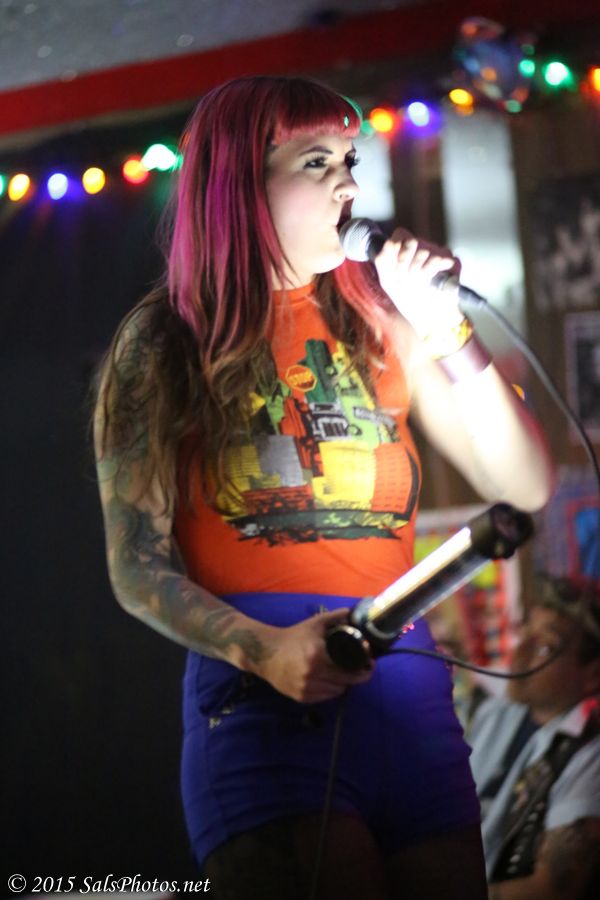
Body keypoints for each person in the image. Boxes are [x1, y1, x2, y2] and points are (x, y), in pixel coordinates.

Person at [94, 76, 554, 900]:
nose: (347, 184)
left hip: (412, 697)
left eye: (349, 161)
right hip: (265, 698)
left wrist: (446, 328)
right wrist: (263, 649)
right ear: (240, 182)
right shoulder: (164, 340)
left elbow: (524, 484)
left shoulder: (381, 319)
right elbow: (136, 566)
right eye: (316, 162)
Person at [468, 574, 600, 899]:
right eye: (524, 633)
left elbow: (553, 889)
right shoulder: (496, 713)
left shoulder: (590, 753)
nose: (519, 652)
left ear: (593, 675)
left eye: (544, 647)